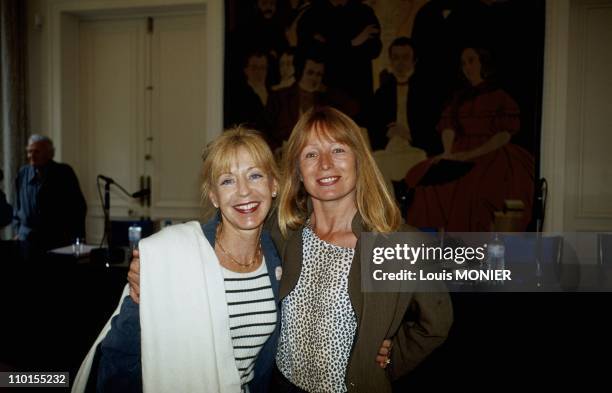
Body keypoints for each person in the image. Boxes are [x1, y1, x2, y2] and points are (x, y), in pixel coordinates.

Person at [128, 107, 453, 392]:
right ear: (297, 169)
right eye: (311, 154)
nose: (325, 164)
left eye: (338, 150)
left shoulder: (397, 244)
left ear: (359, 160)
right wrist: (163, 264)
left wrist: (391, 356)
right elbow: (227, 227)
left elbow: (435, 324)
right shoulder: (282, 233)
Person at [72, 128, 282, 393]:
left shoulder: (279, 257)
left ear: (273, 185)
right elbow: (120, 354)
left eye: (255, 175)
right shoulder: (172, 256)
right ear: (214, 196)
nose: (243, 191)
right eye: (228, 181)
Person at [406, 47, 535, 232]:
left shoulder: (499, 96)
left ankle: (475, 248)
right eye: (463, 63)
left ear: (483, 62)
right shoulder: (459, 97)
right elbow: (448, 125)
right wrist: (448, 152)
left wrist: (470, 154)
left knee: (475, 187)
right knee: (422, 174)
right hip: (460, 150)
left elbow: (504, 135)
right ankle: (439, 242)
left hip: (491, 152)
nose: (467, 66)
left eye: (471, 60)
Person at [296, 0, 382, 123]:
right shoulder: (312, 14)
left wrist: (330, 44)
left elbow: (375, 49)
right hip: (326, 86)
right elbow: (309, 50)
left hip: (358, 86)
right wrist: (353, 43)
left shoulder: (364, 13)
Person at [13, 135, 86, 258]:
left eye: (36, 151)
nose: (32, 155)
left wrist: (77, 239)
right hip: (27, 239)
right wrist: (17, 231)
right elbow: (17, 206)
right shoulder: (22, 173)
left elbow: (78, 207)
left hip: (56, 241)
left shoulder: (64, 172)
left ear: (49, 153)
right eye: (29, 151)